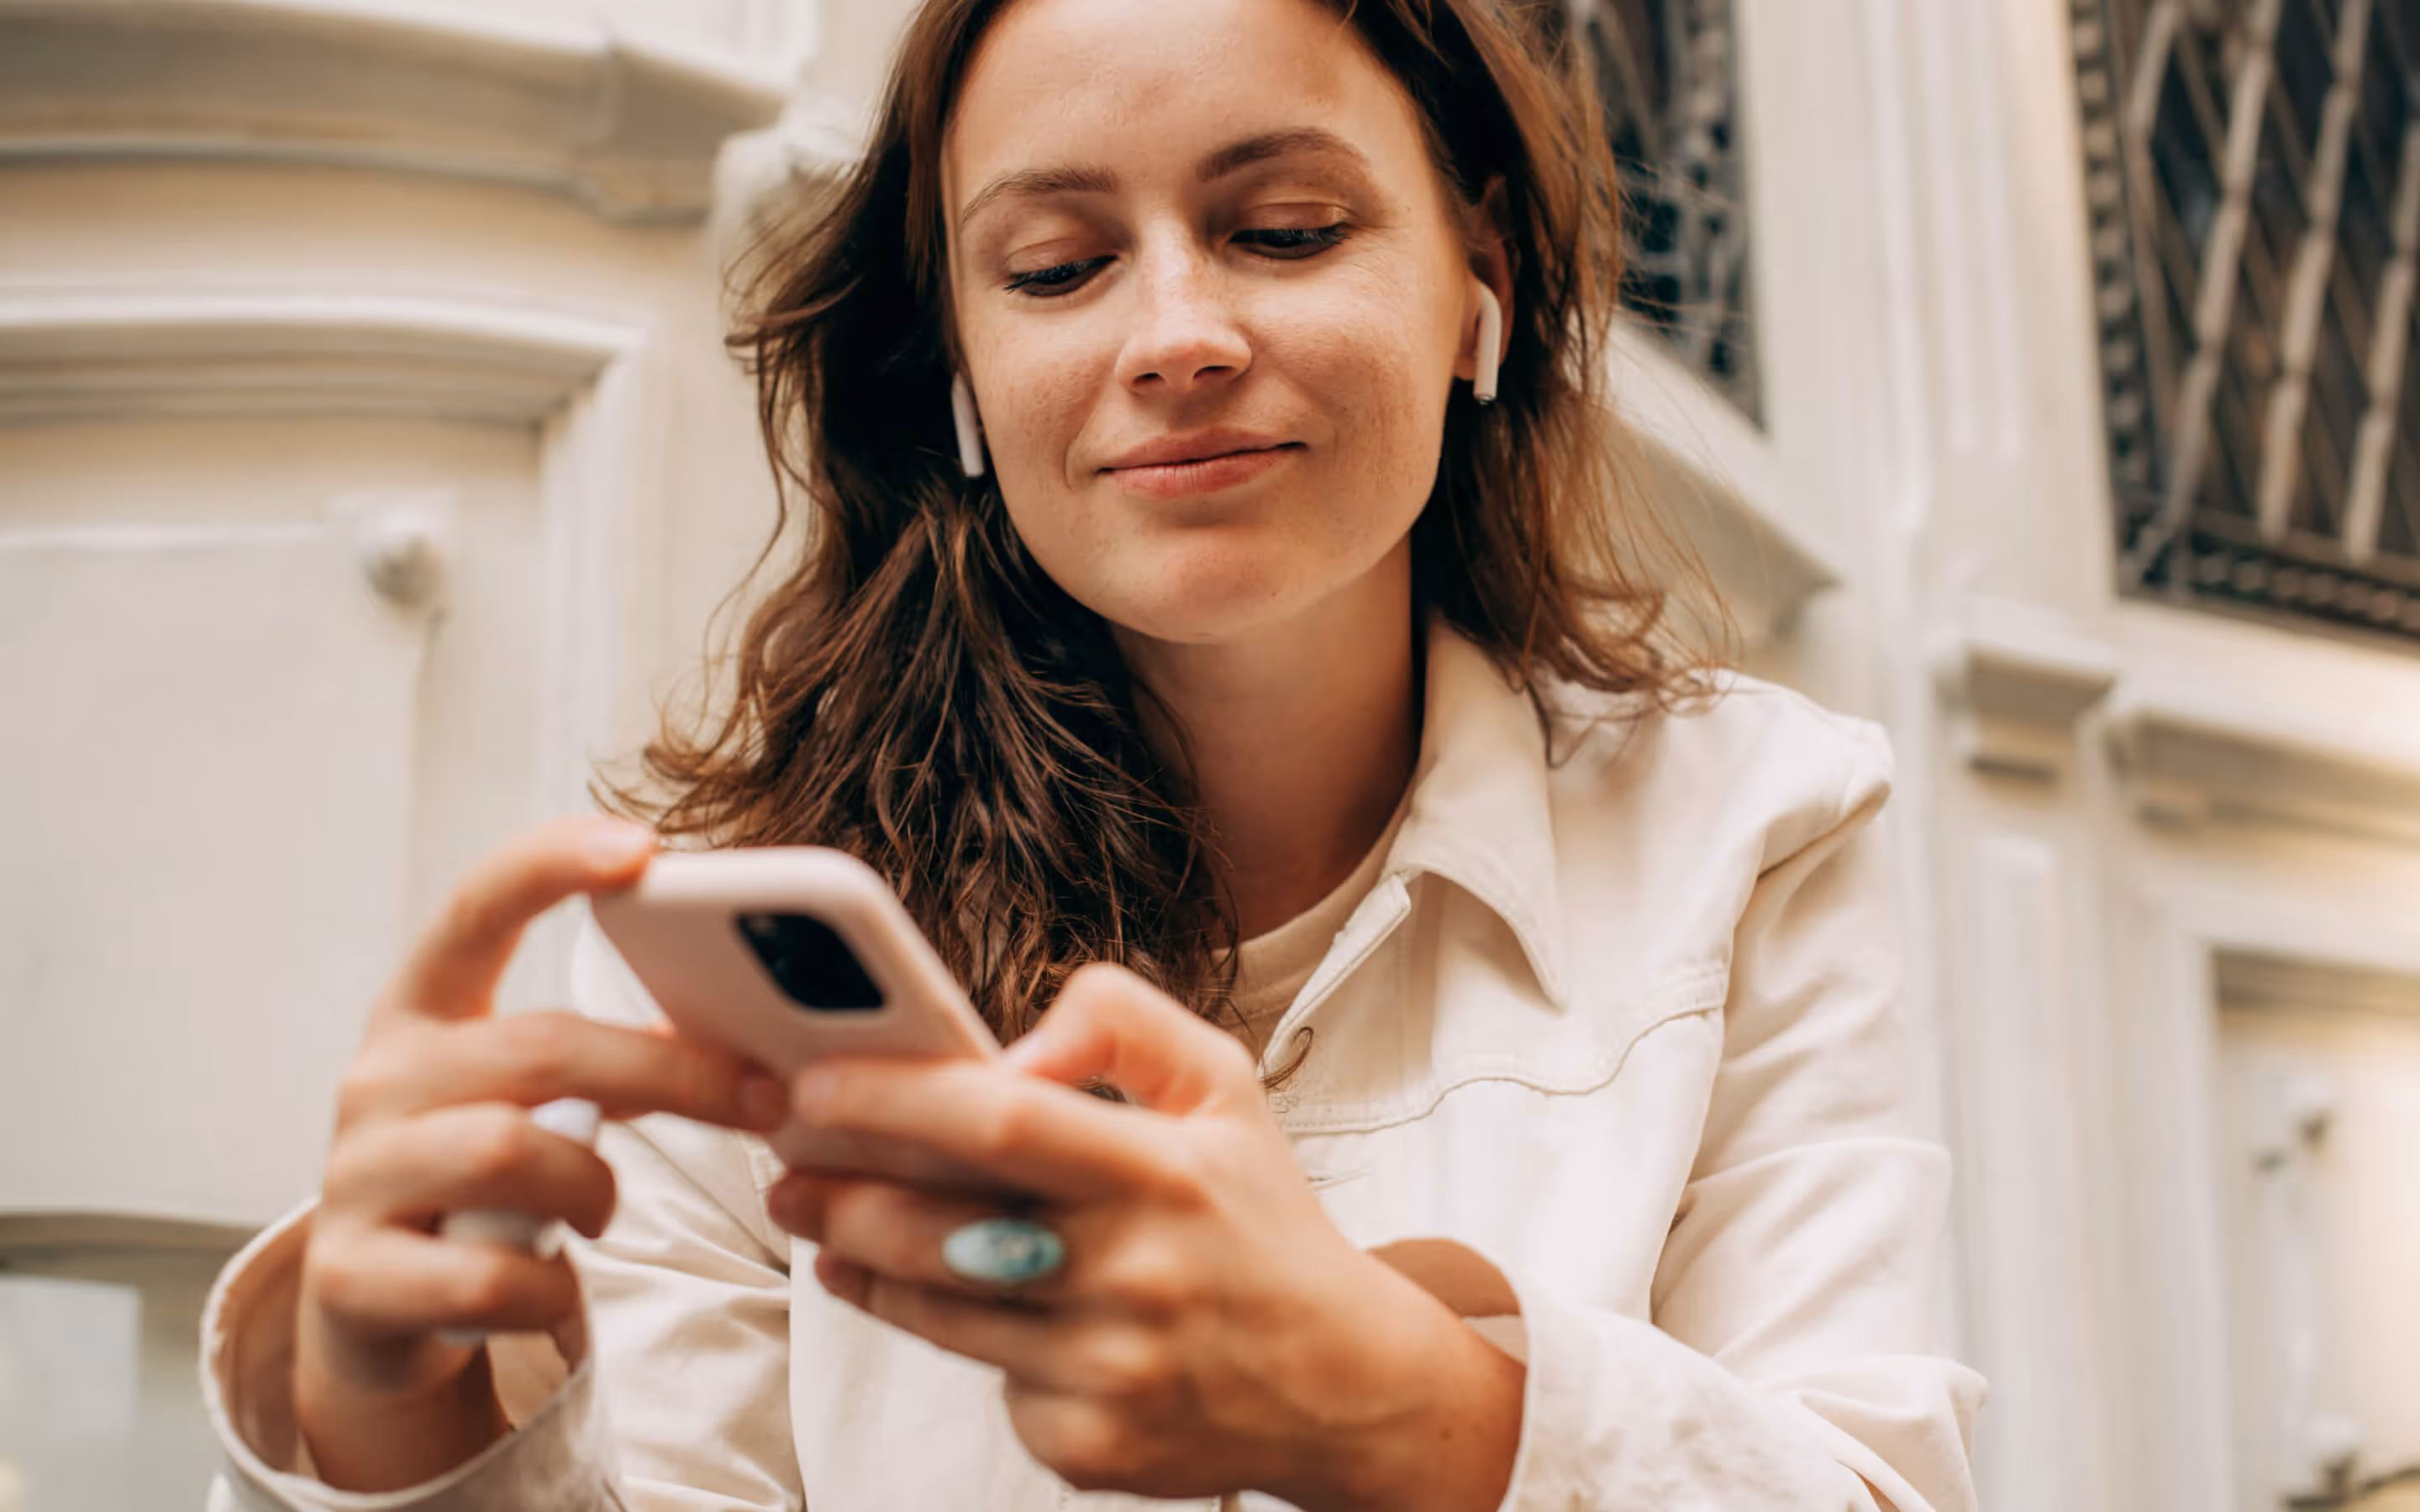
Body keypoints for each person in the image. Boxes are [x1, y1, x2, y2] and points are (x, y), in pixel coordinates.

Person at [201, 0, 1986, 1506]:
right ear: (960, 373)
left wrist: (1405, 1408)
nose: (1179, 339)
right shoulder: (742, 957)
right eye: (1056, 267)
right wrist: (396, 1422)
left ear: (1480, 281)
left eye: (1285, 230)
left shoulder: (1756, 827)